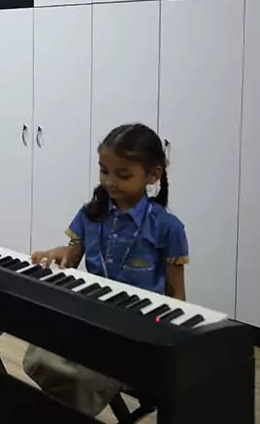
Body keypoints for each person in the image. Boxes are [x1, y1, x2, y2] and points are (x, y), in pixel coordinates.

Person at [26, 123, 189, 416]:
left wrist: (169, 350)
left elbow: (177, 294)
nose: (110, 182)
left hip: (135, 331)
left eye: (123, 174)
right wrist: (57, 253)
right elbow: (72, 257)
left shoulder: (168, 228)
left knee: (81, 376)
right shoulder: (91, 213)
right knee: (42, 355)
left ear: (153, 175)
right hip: (92, 317)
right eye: (104, 171)